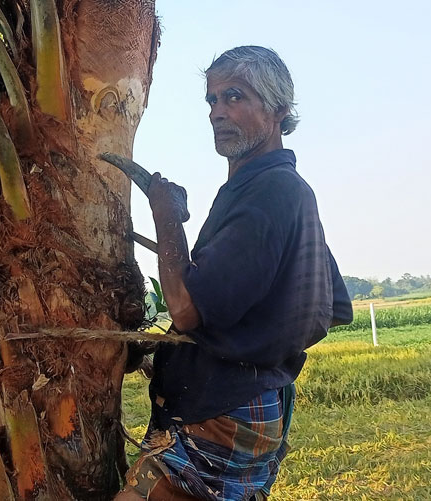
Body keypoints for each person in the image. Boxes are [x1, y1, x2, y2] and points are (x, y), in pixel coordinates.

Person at [117, 46, 353, 501]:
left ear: (279, 109)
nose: (217, 113)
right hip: (256, 403)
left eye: (235, 97)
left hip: (222, 408)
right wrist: (257, 343)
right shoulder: (284, 190)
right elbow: (332, 306)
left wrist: (166, 216)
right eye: (212, 100)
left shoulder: (268, 192)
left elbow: (185, 311)